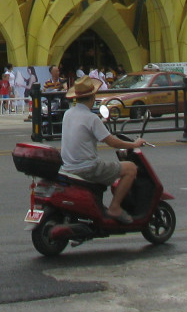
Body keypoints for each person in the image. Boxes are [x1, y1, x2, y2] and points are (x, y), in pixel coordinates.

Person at [57, 77, 146, 223]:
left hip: (68, 168)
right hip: (87, 168)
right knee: (130, 169)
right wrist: (134, 145)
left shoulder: (68, 114)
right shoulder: (91, 118)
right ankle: (115, 207)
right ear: (92, 97)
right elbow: (112, 142)